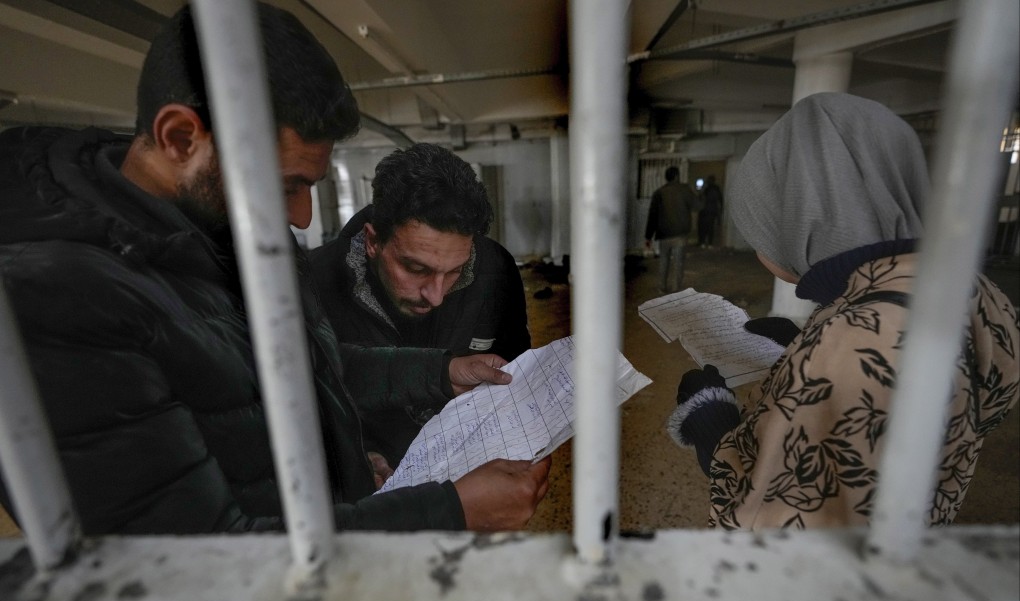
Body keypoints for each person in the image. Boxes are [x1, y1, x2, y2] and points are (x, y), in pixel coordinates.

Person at [0, 2, 550, 536]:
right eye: (288, 184)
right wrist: (448, 511)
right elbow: (193, 560)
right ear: (180, 138)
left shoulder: (233, 232)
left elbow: (303, 366)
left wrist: (431, 379)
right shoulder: (56, 300)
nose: (302, 215)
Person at [666, 93, 1019, 530]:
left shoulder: (851, 339)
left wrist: (711, 422)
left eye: (763, 227)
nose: (760, 247)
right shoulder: (973, 292)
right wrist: (808, 340)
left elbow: (774, 521)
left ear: (798, 223)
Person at [310, 143, 531, 469]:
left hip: (470, 475)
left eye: (456, 270)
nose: (436, 296)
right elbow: (308, 403)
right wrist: (358, 457)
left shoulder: (494, 269)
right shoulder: (313, 281)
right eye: (416, 269)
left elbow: (516, 368)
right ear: (373, 241)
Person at [644, 166, 699, 293]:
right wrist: (697, 193)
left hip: (664, 235)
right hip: (680, 234)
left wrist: (648, 237)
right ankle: (676, 290)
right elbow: (697, 206)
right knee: (678, 263)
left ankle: (662, 288)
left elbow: (652, 216)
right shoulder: (685, 190)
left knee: (664, 262)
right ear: (676, 176)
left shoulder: (659, 192)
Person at [696, 174, 723, 248]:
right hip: (711, 211)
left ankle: (703, 242)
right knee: (710, 228)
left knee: (703, 228)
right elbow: (720, 201)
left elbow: (700, 198)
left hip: (705, 211)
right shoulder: (716, 189)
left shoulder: (706, 188)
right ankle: (709, 243)